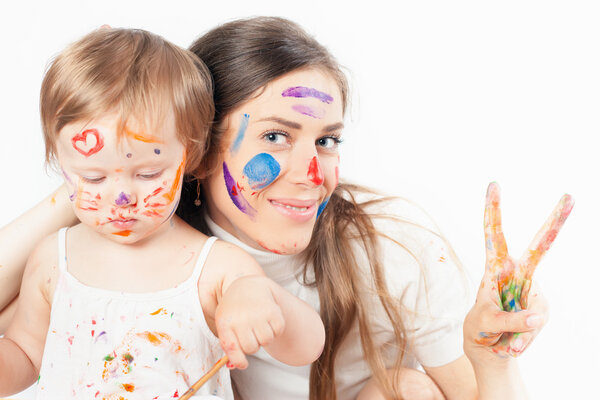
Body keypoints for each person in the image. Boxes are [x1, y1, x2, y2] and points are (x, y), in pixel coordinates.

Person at [0, 17, 572, 400]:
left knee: (406, 387)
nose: (313, 173)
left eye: (326, 140)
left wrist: (490, 357)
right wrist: (73, 194)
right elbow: (22, 347)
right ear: (198, 152)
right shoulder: (127, 226)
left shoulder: (395, 248)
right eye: (275, 137)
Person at [0, 27, 325, 399]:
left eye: (148, 174)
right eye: (93, 177)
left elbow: (307, 346)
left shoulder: (215, 269)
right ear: (59, 161)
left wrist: (260, 297)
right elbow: (25, 353)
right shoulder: (53, 259)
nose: (121, 197)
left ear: (190, 157)